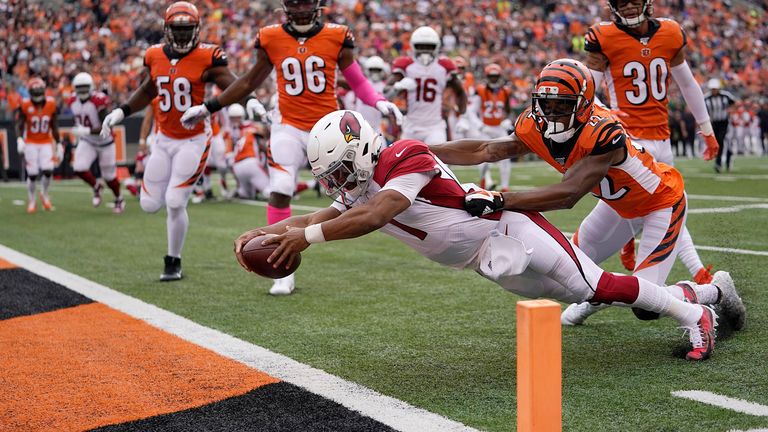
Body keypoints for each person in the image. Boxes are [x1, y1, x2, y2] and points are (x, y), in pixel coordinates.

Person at [235, 109, 733, 361]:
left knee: (595, 287)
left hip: (507, 226)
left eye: (343, 169)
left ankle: (696, 315)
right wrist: (275, 229)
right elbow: (328, 211)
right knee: (578, 293)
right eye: (333, 175)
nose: (340, 182)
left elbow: (378, 214)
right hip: (485, 260)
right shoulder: (361, 183)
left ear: (363, 147)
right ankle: (707, 292)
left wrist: (308, 240)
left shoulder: (401, 158)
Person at [428, 59, 745, 330]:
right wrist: (423, 151)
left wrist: (500, 199)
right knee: (569, 271)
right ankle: (598, 297)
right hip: (616, 206)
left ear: (582, 104)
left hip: (659, 203)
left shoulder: (602, 131)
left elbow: (567, 195)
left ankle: (715, 291)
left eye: (562, 105)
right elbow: (487, 149)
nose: (551, 113)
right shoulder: (533, 123)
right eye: (546, 104)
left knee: (647, 305)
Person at [180, 0, 402, 295]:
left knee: (358, 186)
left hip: (328, 127)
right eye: (295, 2)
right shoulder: (270, 36)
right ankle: (281, 268)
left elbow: (357, 80)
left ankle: (402, 212)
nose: (300, 8)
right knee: (281, 188)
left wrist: (379, 101)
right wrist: (209, 107)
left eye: (306, 1)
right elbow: (248, 81)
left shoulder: (338, 35)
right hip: (287, 126)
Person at [100, 1, 244, 281]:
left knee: (175, 201)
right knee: (149, 205)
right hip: (163, 139)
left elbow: (235, 84)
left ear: (197, 28)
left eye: (186, 29)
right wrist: (122, 110)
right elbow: (149, 88)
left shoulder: (208, 56)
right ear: (166, 30)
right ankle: (171, 242)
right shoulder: (154, 54)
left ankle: (173, 260)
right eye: (176, 30)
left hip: (194, 140)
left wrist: (235, 103)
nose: (181, 35)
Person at [583, 0, 719, 285]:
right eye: (623, 2)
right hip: (629, 142)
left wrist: (706, 128)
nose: (629, 6)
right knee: (667, 205)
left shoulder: (670, 32)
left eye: (635, 0)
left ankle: (628, 241)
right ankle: (699, 273)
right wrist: (606, 113)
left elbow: (688, 83)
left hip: (662, 139)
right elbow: (587, 91)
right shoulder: (603, 36)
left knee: (669, 207)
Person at [386, 26, 467, 144]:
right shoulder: (406, 65)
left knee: (436, 160)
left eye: (429, 47)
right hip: (411, 127)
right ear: (414, 46)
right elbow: (386, 93)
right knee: (407, 161)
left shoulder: (444, 66)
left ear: (436, 46)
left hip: (435, 127)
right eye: (421, 46)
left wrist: (462, 115)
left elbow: (460, 90)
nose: (425, 50)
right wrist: (398, 87)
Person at [69, 72, 125, 213]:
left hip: (105, 141)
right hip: (88, 141)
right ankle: (96, 186)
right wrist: (84, 131)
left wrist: (86, 131)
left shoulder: (99, 100)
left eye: (84, 88)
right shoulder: (72, 101)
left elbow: (106, 125)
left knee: (109, 176)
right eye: (79, 88)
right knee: (79, 167)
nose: (82, 91)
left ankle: (119, 198)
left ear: (91, 87)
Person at [16, 77, 60, 214]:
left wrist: (58, 144)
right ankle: (32, 199)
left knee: (48, 170)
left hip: (46, 141)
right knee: (33, 173)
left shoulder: (51, 104)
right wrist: (19, 139)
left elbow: (54, 125)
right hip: (30, 142)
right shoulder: (24, 104)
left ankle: (44, 194)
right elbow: (19, 123)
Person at [476, 63, 513, 192]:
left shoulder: (505, 91)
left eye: (495, 76)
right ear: (487, 76)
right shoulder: (480, 90)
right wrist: (479, 124)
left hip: (499, 127)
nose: (493, 79)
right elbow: (473, 109)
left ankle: (505, 186)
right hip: (486, 127)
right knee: (482, 157)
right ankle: (483, 181)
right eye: (491, 76)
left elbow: (508, 109)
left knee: (506, 157)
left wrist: (507, 120)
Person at [228, 104, 270, 200]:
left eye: (237, 118)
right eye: (233, 118)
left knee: (247, 195)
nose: (235, 120)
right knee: (272, 191)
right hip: (250, 162)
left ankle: (241, 191)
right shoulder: (253, 127)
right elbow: (263, 146)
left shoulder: (230, 131)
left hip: (237, 166)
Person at [703, 78, 737, 172]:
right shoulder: (706, 98)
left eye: (715, 88)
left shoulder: (725, 95)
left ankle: (724, 162)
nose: (714, 90)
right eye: (712, 89)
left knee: (724, 142)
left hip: (725, 122)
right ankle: (719, 162)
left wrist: (732, 111)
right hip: (714, 123)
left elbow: (734, 103)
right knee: (718, 143)